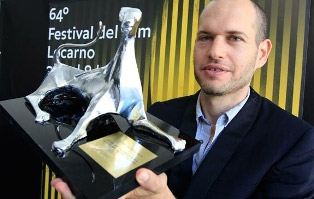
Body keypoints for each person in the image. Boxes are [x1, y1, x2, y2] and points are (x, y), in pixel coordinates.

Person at [51, 0, 314, 198]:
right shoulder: (158, 115)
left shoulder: (293, 141)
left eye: (235, 38)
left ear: (262, 53)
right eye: (205, 37)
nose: (215, 51)